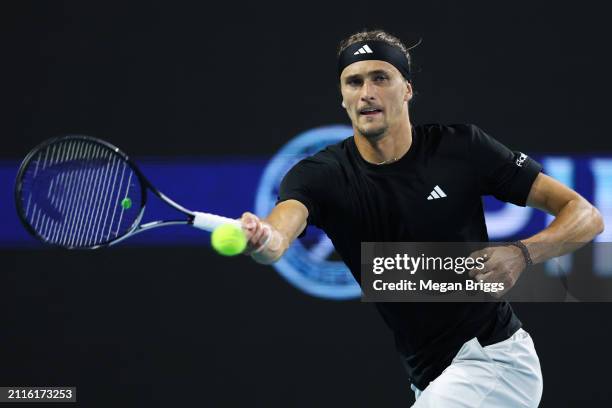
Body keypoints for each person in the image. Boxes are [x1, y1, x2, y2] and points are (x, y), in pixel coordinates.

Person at [239, 29, 604, 407]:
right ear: (343, 97)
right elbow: (279, 235)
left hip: (495, 362)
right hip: (431, 378)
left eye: (380, 78)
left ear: (407, 89)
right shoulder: (318, 176)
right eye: (354, 81)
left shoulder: (462, 148)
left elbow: (586, 216)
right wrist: (264, 237)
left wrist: (521, 253)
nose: (367, 92)